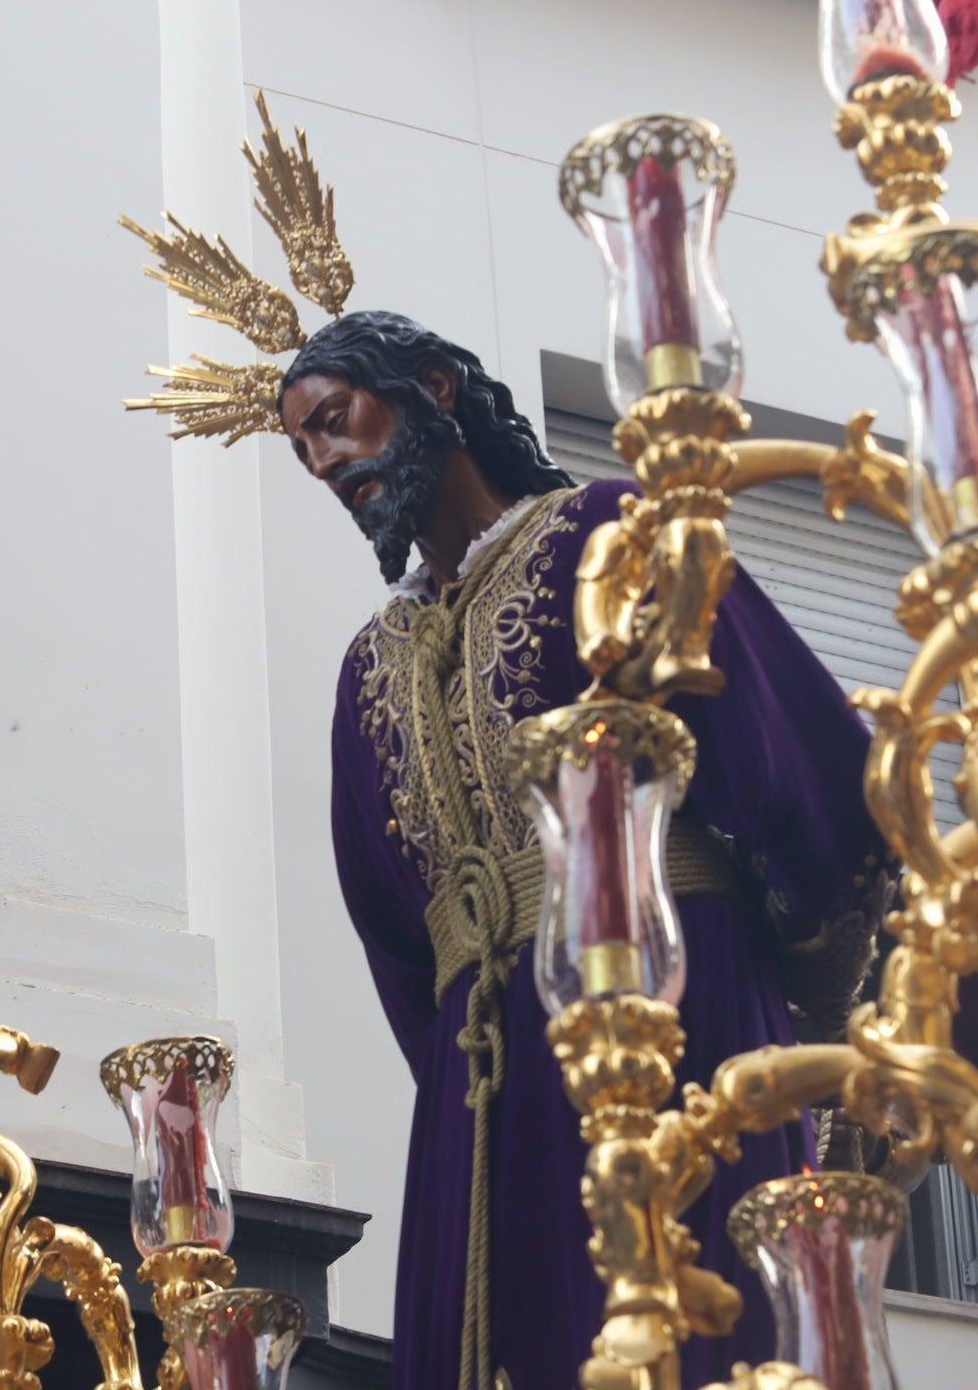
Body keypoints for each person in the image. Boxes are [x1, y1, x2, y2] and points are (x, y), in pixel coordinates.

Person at [276, 312, 887, 1390]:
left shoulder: (610, 534)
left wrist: (814, 1023)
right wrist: (476, 1099)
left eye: (335, 419)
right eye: (303, 447)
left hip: (675, 1008)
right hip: (485, 1088)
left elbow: (799, 762)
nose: (325, 460)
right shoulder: (367, 671)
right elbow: (396, 941)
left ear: (434, 388)